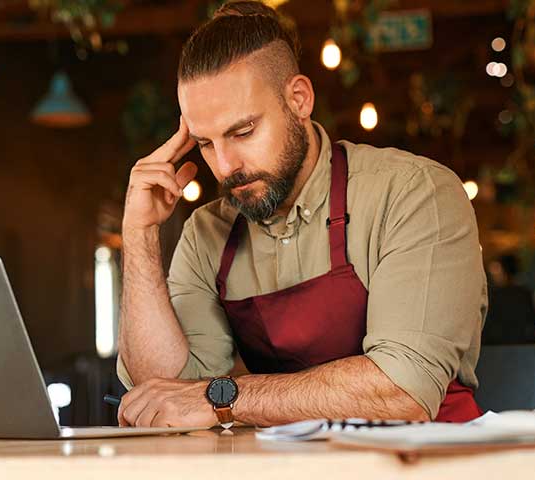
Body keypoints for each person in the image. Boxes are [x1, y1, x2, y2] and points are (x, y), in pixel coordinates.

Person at [115, 1, 486, 428]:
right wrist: (138, 232)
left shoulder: (413, 193)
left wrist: (225, 396)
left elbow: (403, 389)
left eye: (243, 132)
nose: (225, 165)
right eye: (205, 143)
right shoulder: (208, 234)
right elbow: (164, 395)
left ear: (299, 99)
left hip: (428, 465)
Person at [482, 254, 535, 345]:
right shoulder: (524, 293)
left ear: (504, 270)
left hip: (496, 348)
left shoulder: (494, 295)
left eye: (496, 268)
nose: (493, 273)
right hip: (522, 347)